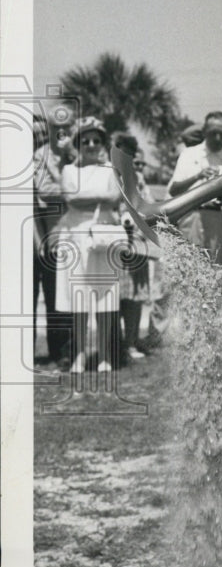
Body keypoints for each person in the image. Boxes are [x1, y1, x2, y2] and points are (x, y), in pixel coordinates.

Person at [54, 117, 126, 377]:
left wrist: (91, 199)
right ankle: (80, 356)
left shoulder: (110, 170)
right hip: (75, 236)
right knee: (79, 299)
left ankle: (105, 356)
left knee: (106, 297)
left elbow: (115, 198)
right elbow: (71, 199)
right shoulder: (69, 171)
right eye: (85, 141)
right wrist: (99, 199)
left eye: (96, 140)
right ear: (77, 143)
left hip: (104, 236)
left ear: (103, 143)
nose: (91, 145)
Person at [167, 111, 222, 292]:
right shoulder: (189, 154)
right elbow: (174, 189)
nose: (217, 138)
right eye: (213, 133)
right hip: (195, 217)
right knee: (192, 274)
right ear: (204, 131)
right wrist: (198, 176)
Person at [33, 103, 77, 366]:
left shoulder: (82, 154)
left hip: (77, 233)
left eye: (66, 127)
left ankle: (66, 351)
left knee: (68, 295)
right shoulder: (40, 156)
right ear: (49, 129)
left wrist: (71, 154)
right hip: (51, 233)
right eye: (56, 127)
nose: (61, 131)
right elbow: (43, 191)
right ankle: (54, 350)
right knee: (51, 292)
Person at [112, 134, 152, 363]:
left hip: (136, 241)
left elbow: (147, 205)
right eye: (120, 151)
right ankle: (115, 344)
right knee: (115, 295)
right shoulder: (107, 175)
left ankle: (131, 342)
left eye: (129, 152)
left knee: (134, 296)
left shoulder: (137, 178)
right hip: (113, 242)